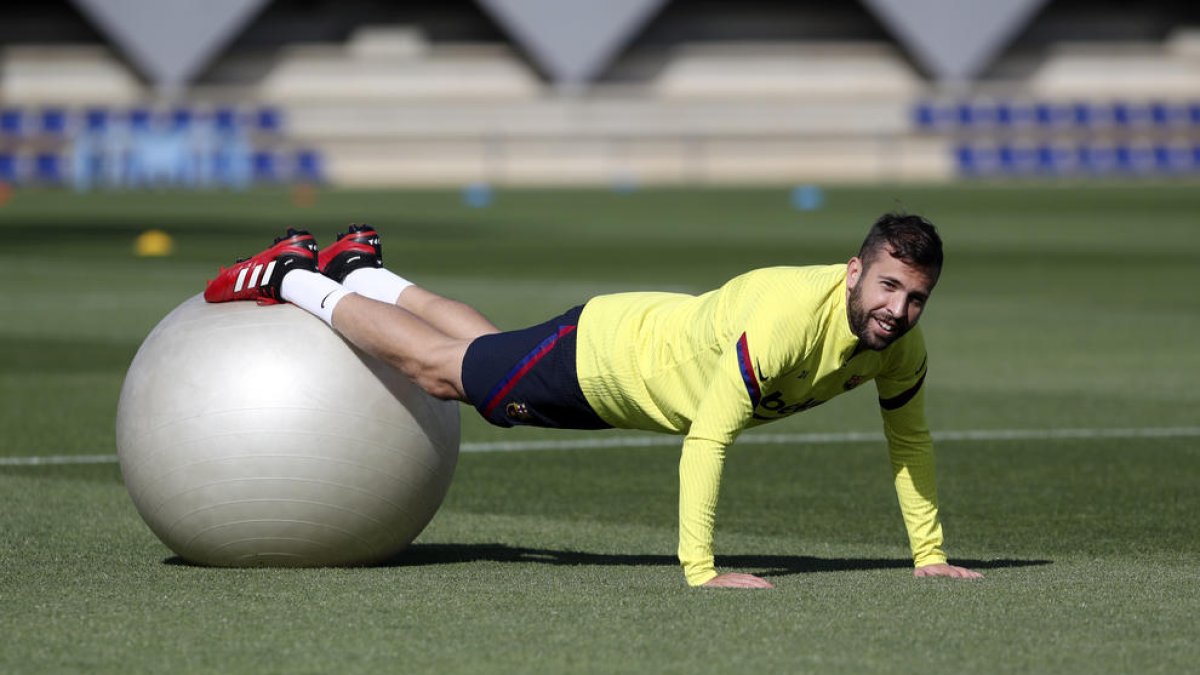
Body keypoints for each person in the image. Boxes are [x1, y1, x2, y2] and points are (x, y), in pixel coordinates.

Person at [204, 214, 982, 588]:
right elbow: (710, 438)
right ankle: (290, 278)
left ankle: (362, 272)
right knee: (446, 372)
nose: (899, 309)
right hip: (604, 357)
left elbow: (909, 445)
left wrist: (929, 554)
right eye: (888, 286)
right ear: (854, 272)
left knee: (485, 354)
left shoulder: (898, 349)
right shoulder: (783, 321)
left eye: (916, 297)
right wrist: (702, 570)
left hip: (622, 361)